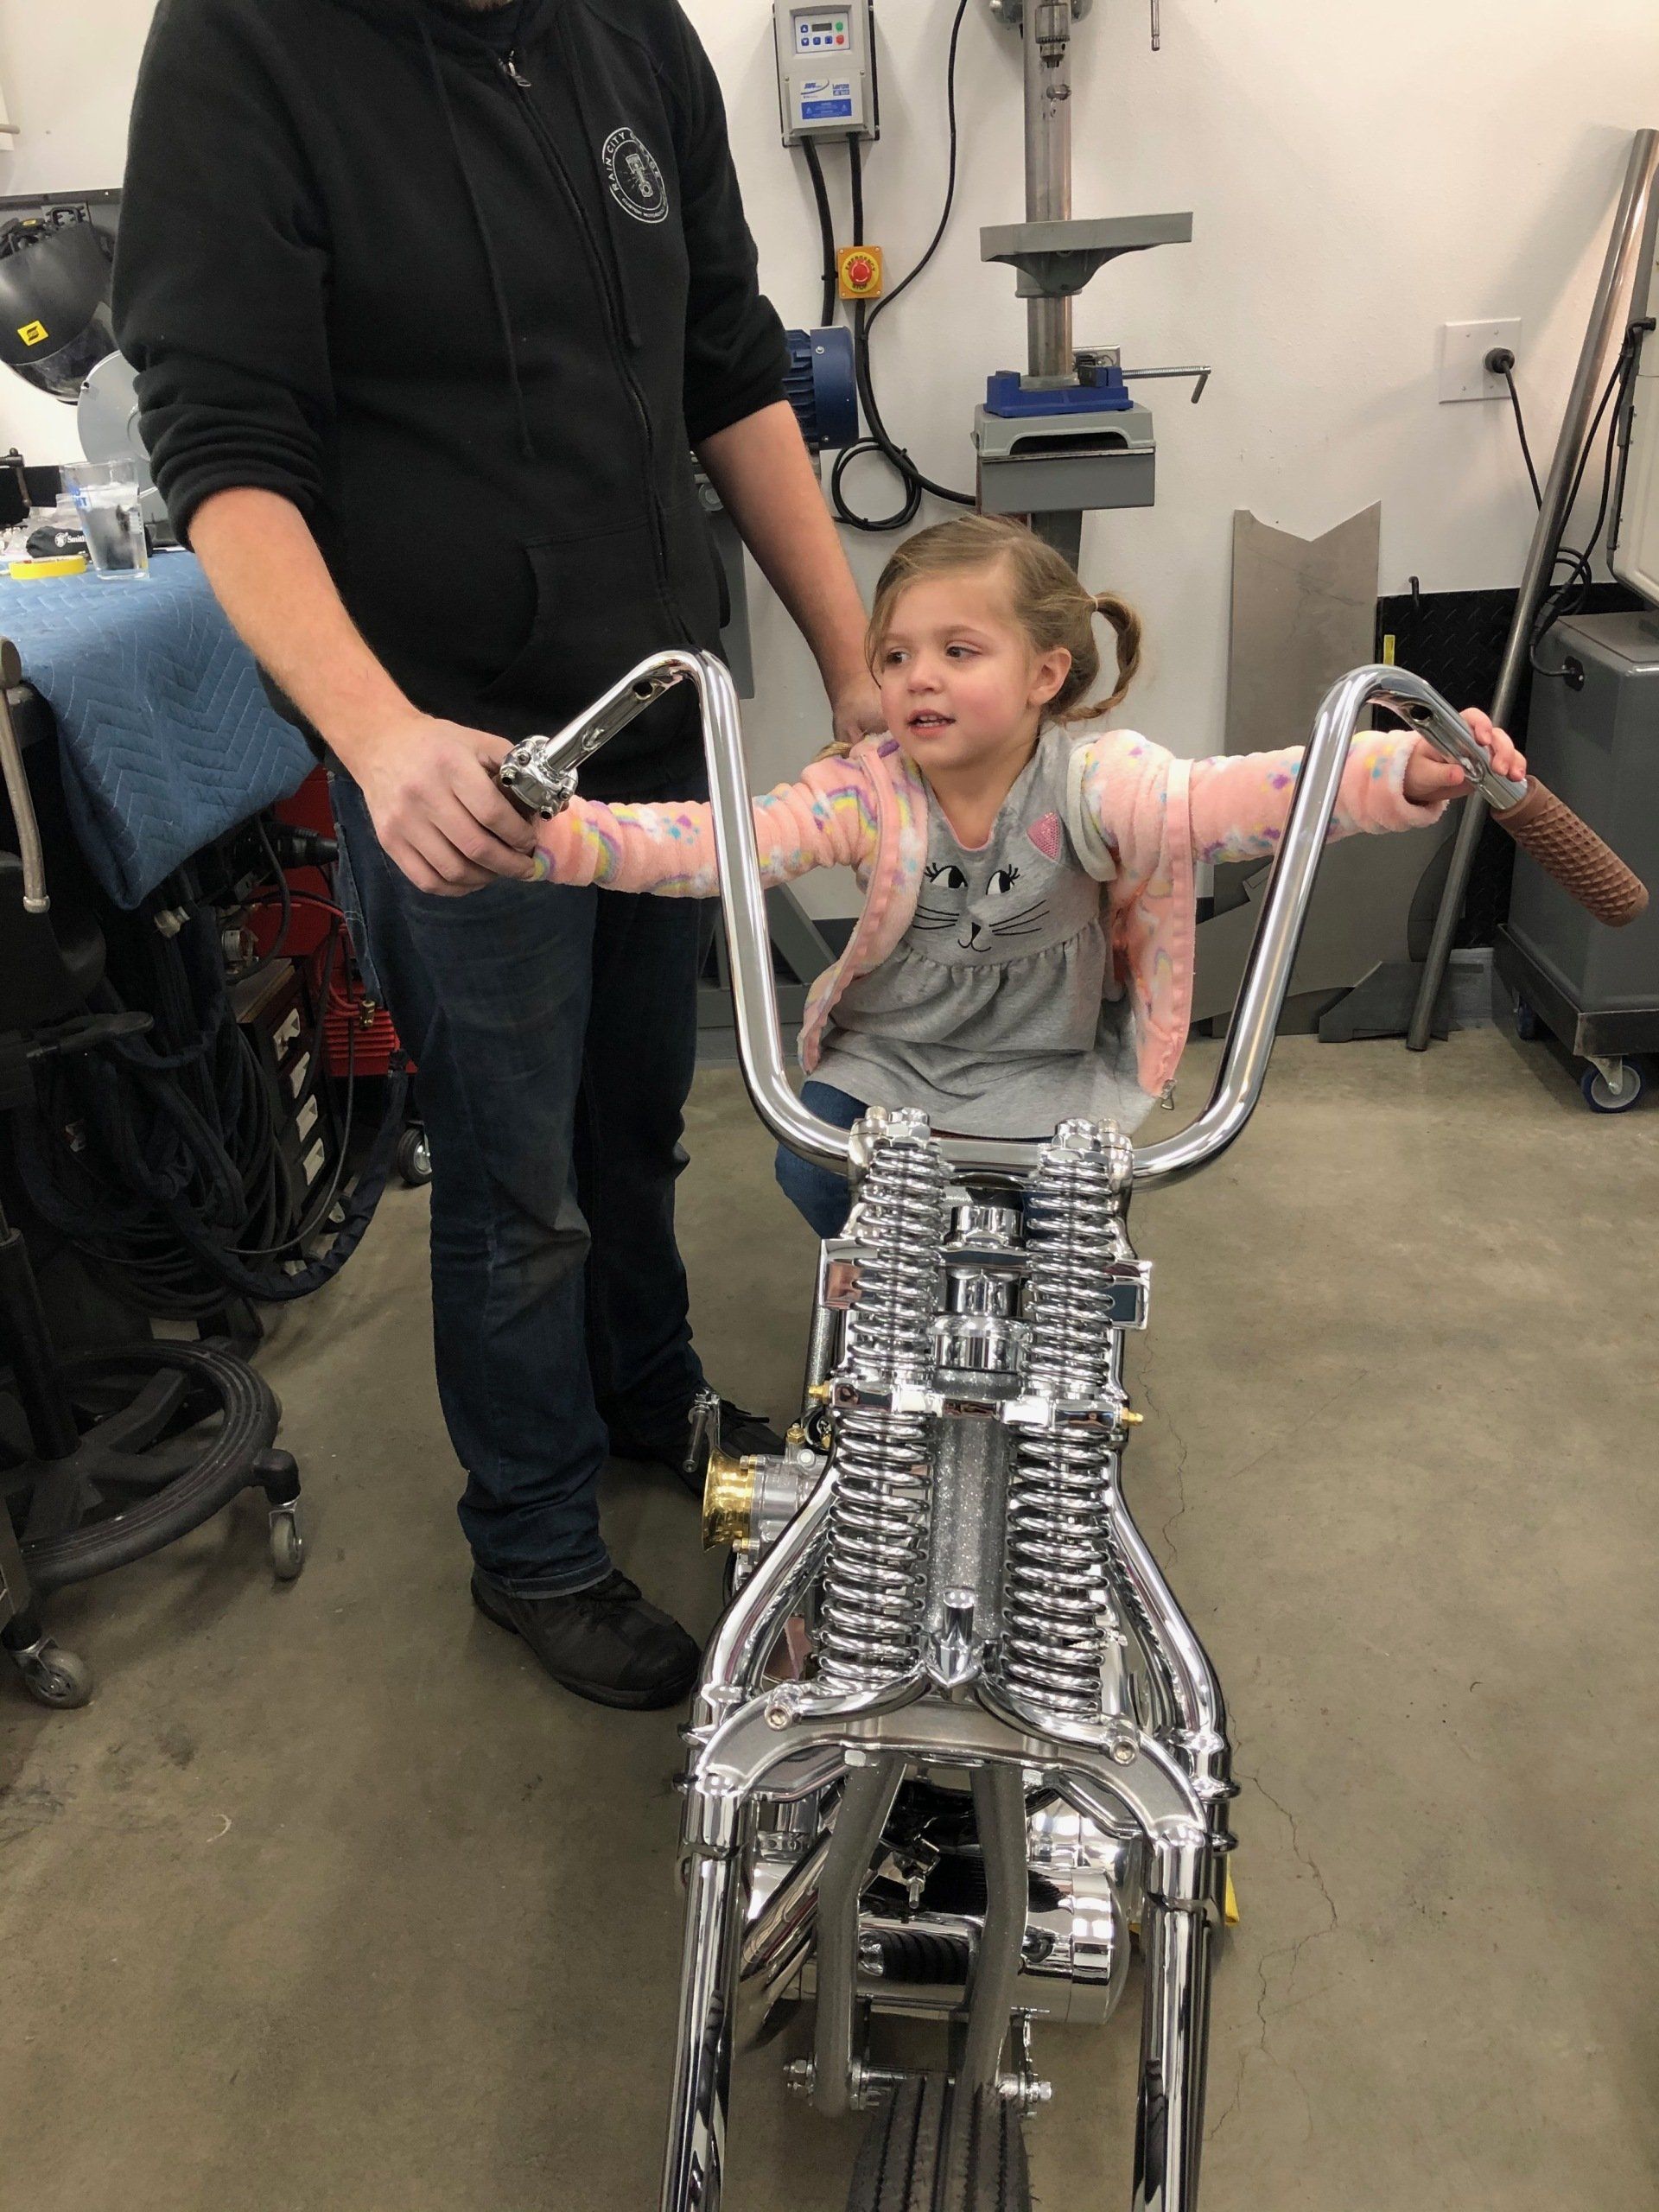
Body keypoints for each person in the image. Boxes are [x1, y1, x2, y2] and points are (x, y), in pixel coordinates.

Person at [113, 0, 884, 1710]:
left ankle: (645, 1389)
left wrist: (851, 658)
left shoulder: (630, 34)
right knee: (515, 1177)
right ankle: (532, 1537)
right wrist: (377, 736)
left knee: (635, 1114)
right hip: (463, 752)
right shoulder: (245, 49)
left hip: (658, 713)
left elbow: (730, 371)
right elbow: (226, 451)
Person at [525, 512, 1524, 1231]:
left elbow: (1239, 798)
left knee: (1076, 1229)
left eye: (959, 650)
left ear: (1046, 674)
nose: (918, 676)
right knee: (812, 1169)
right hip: (893, 1063)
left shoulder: (1097, 782)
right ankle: (879, 1302)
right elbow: (721, 843)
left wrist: (1401, 768)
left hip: (1048, 1070)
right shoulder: (868, 791)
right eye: (896, 655)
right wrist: (555, 835)